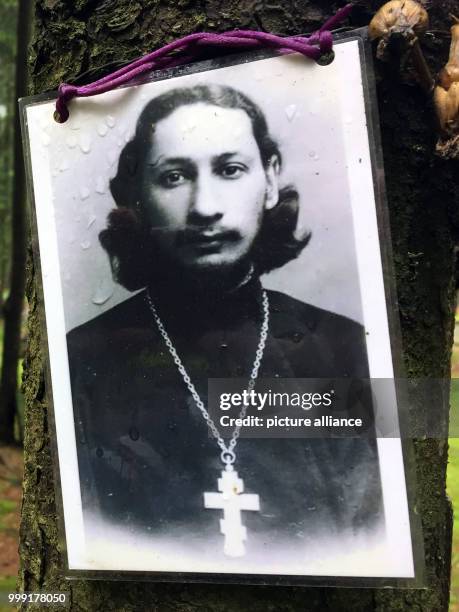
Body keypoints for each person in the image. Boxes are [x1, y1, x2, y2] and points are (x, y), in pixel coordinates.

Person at [67, 84, 383, 570]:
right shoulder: (83, 358)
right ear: (137, 198)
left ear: (271, 179)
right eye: (173, 176)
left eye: (230, 169)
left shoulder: (343, 346)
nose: (204, 207)